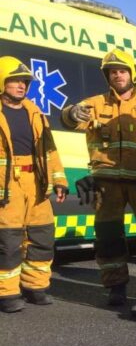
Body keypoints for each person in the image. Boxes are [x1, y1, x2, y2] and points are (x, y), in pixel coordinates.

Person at [61, 49, 136, 306]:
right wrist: (71, 113)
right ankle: (116, 287)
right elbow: (69, 118)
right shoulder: (94, 104)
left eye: (122, 71)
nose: (118, 75)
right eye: (113, 72)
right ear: (107, 76)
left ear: (132, 74)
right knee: (108, 237)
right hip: (105, 183)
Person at [0, 56, 68, 313]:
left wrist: (59, 179)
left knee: (41, 236)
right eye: (15, 80)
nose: (21, 86)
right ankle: (7, 293)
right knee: (9, 239)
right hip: (8, 183)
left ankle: (36, 286)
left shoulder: (36, 113)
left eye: (25, 82)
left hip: (36, 182)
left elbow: (49, 151)